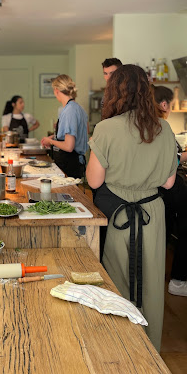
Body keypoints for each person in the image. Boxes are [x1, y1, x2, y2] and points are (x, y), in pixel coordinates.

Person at [86, 65, 177, 351]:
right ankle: (149, 352)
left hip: (119, 215)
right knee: (150, 283)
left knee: (118, 281)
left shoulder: (105, 129)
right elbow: (169, 182)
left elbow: (94, 179)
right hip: (152, 214)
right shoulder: (164, 128)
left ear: (114, 92)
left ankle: (119, 351)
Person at [153, 85, 187, 297]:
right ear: (164, 104)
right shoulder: (162, 126)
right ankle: (179, 279)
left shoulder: (150, 124)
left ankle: (158, 278)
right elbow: (171, 161)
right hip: (170, 187)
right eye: (171, 105)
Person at [40, 75, 88, 178]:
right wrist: (54, 137)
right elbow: (75, 134)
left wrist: (51, 142)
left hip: (70, 164)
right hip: (70, 162)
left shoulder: (69, 111)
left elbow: (69, 146)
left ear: (56, 90)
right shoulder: (76, 108)